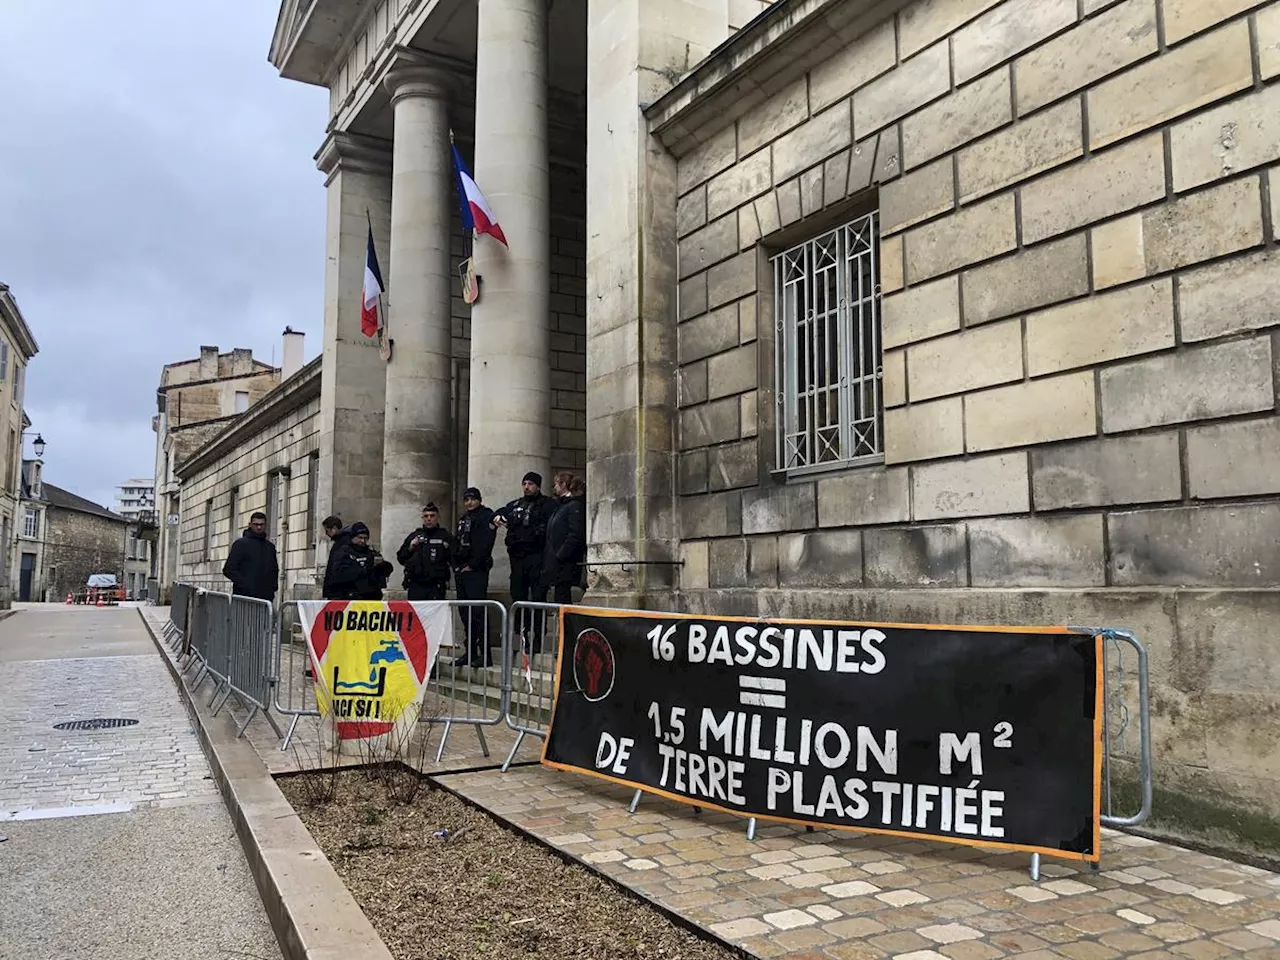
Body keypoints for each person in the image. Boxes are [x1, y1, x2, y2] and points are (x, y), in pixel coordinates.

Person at [492, 471, 556, 651]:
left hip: (537, 557)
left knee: (537, 598)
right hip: (518, 559)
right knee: (518, 596)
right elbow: (499, 513)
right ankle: (522, 636)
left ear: (538, 486)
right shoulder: (516, 505)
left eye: (530, 484)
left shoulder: (547, 504)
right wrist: (498, 517)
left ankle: (537, 637)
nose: (527, 487)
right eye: (524, 483)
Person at [453, 487, 496, 666]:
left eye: (472, 499)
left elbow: (485, 545)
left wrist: (472, 565)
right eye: (466, 499)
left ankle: (485, 655)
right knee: (466, 615)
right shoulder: (464, 519)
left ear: (479, 499)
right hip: (462, 571)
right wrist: (457, 566)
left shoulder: (486, 516)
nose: (469, 502)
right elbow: (457, 544)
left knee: (478, 613)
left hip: (476, 571)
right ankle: (470, 652)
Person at [396, 503, 456, 601]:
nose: (429, 519)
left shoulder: (445, 536)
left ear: (438, 517)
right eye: (426, 516)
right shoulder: (415, 535)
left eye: (432, 516)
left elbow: (455, 558)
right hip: (416, 584)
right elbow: (401, 558)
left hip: (436, 585)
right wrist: (410, 547)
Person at [543, 473, 587, 604]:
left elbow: (575, 534)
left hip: (565, 563)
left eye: (556, 484)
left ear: (563, 485)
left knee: (563, 599)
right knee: (559, 598)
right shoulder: (561, 506)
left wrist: (560, 555)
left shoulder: (573, 506)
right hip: (557, 562)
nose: (554, 487)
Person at [326, 522, 394, 600]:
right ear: (353, 538)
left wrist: (382, 564)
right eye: (360, 537)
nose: (363, 541)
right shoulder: (343, 552)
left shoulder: (370, 553)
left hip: (371, 596)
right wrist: (366, 567)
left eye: (365, 538)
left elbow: (386, 571)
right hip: (350, 595)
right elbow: (341, 574)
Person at [222, 511, 279, 603]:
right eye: (256, 524)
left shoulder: (270, 547)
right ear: (250, 525)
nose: (259, 527)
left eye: (262, 524)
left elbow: (274, 569)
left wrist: (273, 587)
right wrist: (246, 584)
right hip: (244, 597)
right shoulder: (240, 544)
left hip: (265, 598)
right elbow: (228, 569)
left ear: (265, 525)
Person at [320, 515, 350, 600]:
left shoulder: (342, 544)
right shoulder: (340, 543)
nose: (326, 534)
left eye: (327, 531)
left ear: (334, 528)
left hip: (338, 592)